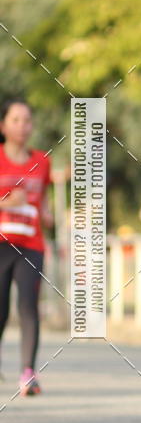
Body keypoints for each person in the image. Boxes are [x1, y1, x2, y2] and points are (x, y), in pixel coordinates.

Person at [0, 99, 53, 396]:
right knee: (1, 310)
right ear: (4, 126)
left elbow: (42, 197)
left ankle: (28, 374)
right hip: (1, 244)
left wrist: (46, 213)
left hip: (32, 244)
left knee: (28, 307)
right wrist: (6, 203)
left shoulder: (42, 161)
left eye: (27, 120)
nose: (23, 126)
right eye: (16, 120)